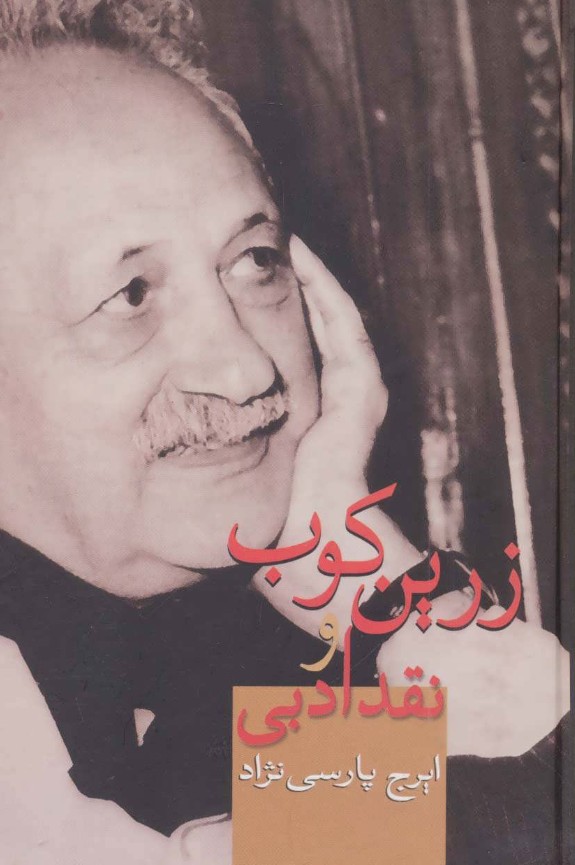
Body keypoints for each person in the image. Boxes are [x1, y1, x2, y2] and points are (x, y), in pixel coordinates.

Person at [0, 2, 570, 863]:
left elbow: (527, 815)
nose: (244, 368)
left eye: (255, 261)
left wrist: (376, 580)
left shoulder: (232, 674)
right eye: (130, 295)